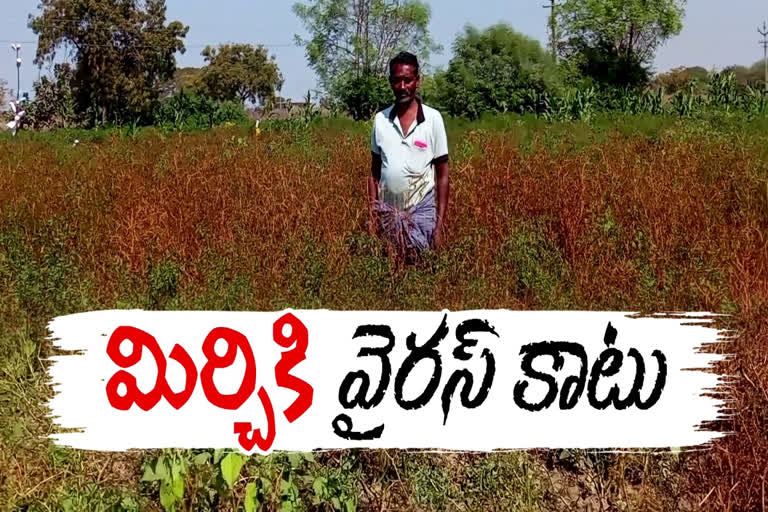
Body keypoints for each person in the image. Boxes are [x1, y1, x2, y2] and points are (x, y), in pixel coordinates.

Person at [368, 51, 450, 260]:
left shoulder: (432, 120)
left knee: (420, 272)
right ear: (390, 82)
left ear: (417, 81)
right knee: (390, 273)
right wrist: (373, 217)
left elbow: (442, 175)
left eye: (408, 80)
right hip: (388, 216)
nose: (402, 87)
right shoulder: (380, 121)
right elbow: (374, 174)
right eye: (397, 81)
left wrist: (439, 226)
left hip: (423, 217)